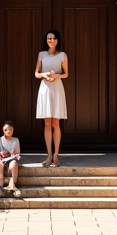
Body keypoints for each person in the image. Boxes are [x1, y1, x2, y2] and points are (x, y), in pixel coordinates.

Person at [34, 28, 68, 167]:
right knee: (47, 123)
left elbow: (66, 74)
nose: (51, 40)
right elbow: (36, 73)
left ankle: (56, 155)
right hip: (45, 88)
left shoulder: (63, 55)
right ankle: (48, 155)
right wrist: (45, 75)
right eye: (49, 38)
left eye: (53, 38)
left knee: (56, 123)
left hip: (57, 88)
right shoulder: (42, 54)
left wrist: (55, 75)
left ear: (57, 40)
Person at [0, 120, 22, 197]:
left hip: (12, 158)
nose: (9, 131)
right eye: (6, 130)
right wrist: (1, 155)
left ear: (13, 130)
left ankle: (13, 184)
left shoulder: (16, 140)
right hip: (3, 159)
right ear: (4, 131)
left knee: (14, 164)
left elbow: (17, 153)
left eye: (11, 129)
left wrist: (13, 155)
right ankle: (0, 186)